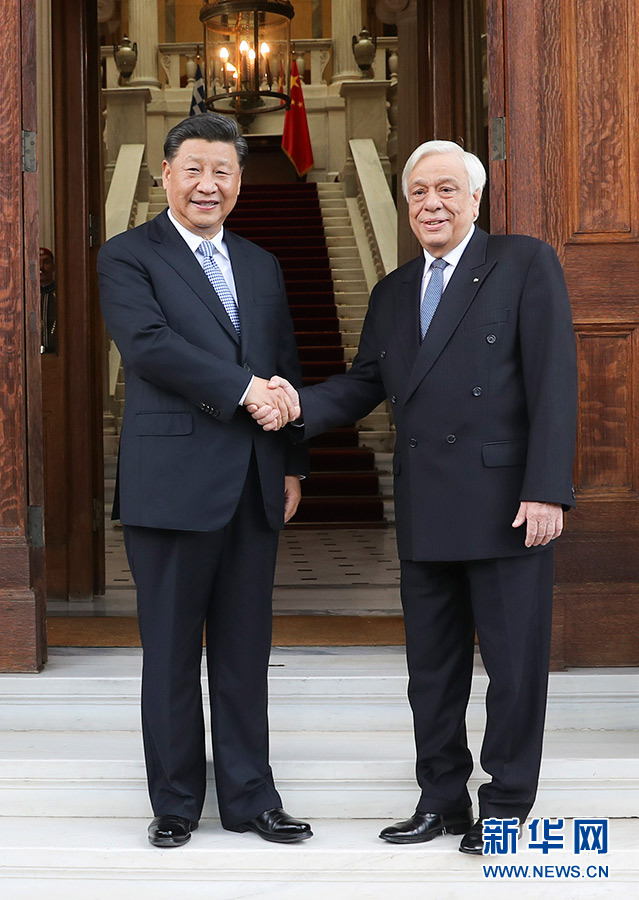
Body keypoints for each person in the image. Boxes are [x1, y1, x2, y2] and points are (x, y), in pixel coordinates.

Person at [250, 140, 577, 854]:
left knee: (514, 669)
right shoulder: (393, 292)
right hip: (427, 503)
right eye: (419, 192)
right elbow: (363, 384)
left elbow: (554, 379)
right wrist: (293, 403)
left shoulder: (523, 263)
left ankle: (506, 803)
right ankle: (440, 799)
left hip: (509, 504)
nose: (431, 203)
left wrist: (548, 489)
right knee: (431, 669)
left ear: (475, 200)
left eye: (446, 190)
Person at [98, 113, 312, 848]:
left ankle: (252, 799)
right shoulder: (128, 255)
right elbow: (148, 346)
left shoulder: (260, 263)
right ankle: (176, 803)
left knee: (245, 651)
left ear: (239, 182)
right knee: (169, 651)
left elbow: (284, 360)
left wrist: (293, 460)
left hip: (254, 481)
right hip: (170, 484)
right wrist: (246, 389)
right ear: (166, 174)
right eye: (193, 169)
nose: (207, 185)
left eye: (222, 171)